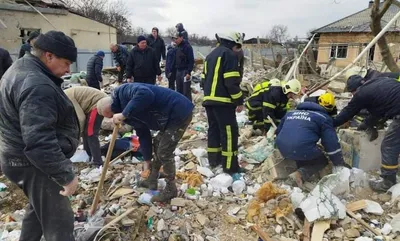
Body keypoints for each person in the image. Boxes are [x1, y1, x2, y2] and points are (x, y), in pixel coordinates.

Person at [0, 31, 79, 241]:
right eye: (66, 62)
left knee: (38, 210)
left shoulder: (20, 68)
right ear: (49, 56)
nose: (68, 69)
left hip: (16, 157)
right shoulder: (37, 85)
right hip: (32, 163)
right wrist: (66, 176)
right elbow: (39, 141)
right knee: (60, 223)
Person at [97, 83, 194, 203]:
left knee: (164, 151)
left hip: (179, 111)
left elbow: (146, 94)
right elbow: (143, 134)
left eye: (112, 114)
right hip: (167, 118)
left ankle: (171, 188)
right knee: (158, 143)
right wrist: (147, 160)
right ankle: (152, 179)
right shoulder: (128, 115)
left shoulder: (123, 92)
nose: (113, 117)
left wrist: (123, 114)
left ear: (112, 106)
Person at [333, 75, 400, 192]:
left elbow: (348, 112)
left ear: (355, 89)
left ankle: (388, 182)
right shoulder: (378, 81)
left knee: (389, 146)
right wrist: (367, 123)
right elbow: (380, 110)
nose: (353, 96)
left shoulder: (361, 94)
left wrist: (331, 123)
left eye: (352, 93)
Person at [201, 32, 244, 173]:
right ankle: (231, 166)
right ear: (233, 43)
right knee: (229, 133)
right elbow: (231, 82)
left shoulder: (210, 56)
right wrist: (239, 100)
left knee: (214, 130)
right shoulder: (229, 56)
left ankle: (214, 160)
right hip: (224, 102)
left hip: (209, 101)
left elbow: (203, 80)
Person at [276, 101, 345, 187]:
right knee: (322, 160)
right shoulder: (324, 118)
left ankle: (300, 165)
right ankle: (299, 174)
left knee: (303, 150)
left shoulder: (290, 113)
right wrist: (338, 162)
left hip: (282, 148)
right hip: (300, 148)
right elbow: (331, 143)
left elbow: (278, 132)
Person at [65, 86, 109, 166]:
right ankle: (89, 155)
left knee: (90, 133)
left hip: (99, 104)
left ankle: (98, 162)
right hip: (90, 106)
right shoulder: (63, 97)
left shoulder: (66, 97)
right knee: (86, 132)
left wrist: (77, 135)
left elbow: (81, 119)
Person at [172, 31, 194, 101]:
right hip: (178, 71)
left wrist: (188, 72)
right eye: (174, 39)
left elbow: (191, 60)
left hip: (185, 72)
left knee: (186, 91)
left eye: (176, 38)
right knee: (179, 91)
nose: (175, 40)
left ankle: (188, 109)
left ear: (181, 38)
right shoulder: (176, 48)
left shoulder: (187, 47)